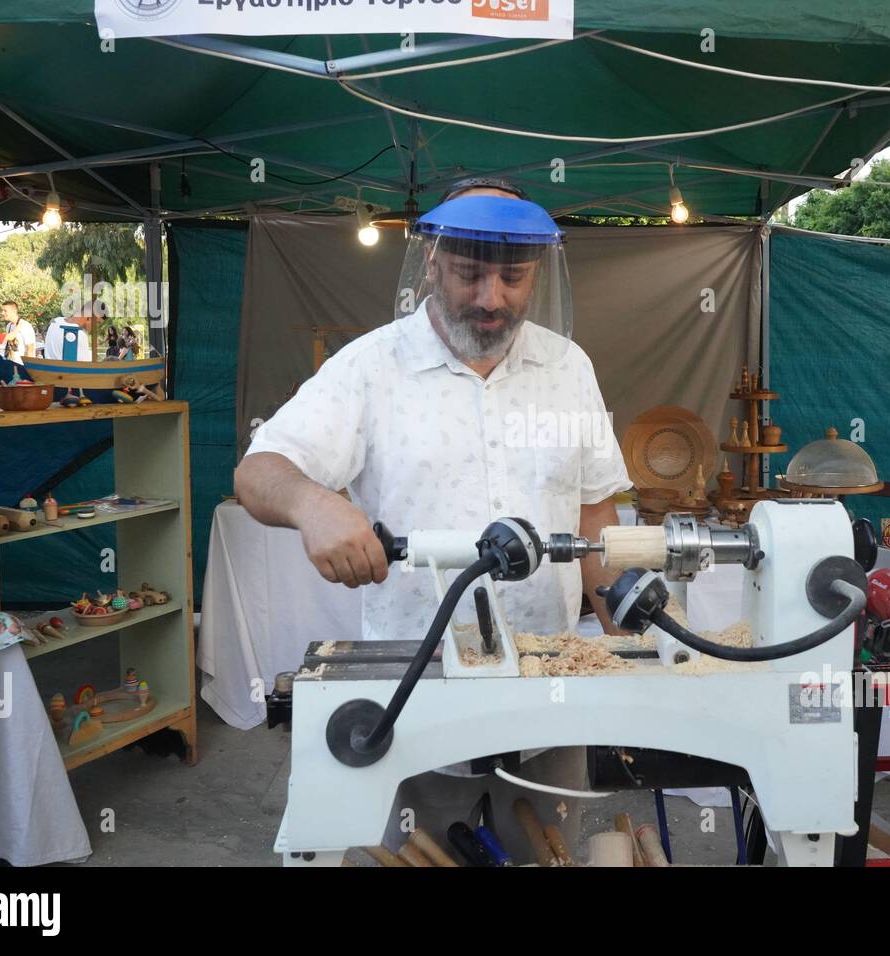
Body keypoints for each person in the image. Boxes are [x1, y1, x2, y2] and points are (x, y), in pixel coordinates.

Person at [234, 179, 630, 860]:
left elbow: (595, 510)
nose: (491, 298)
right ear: (432, 264)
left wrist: (636, 633)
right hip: (416, 691)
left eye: (512, 277)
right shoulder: (369, 367)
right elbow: (257, 471)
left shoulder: (568, 368)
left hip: (549, 691)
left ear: (537, 273)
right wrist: (313, 503)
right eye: (471, 274)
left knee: (548, 853)